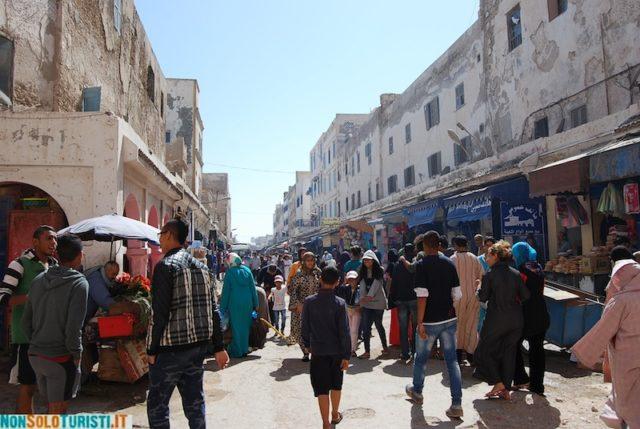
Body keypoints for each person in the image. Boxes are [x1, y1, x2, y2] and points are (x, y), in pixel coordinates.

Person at [146, 218, 229, 429]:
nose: (160, 240)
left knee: (158, 406)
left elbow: (160, 314)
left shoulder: (165, 266)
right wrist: (219, 347)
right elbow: (213, 310)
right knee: (195, 403)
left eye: (161, 236)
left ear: (168, 235)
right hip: (197, 349)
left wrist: (152, 348)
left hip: (169, 350)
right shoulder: (202, 268)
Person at [21, 234, 88, 414]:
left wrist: (37, 342)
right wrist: (77, 354)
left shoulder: (38, 280)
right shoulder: (79, 283)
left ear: (57, 254)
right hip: (60, 358)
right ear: (80, 255)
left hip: (36, 356)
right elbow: (73, 328)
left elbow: (25, 321)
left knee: (53, 411)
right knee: (57, 413)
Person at [572, 257, 640, 429]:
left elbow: (602, 331)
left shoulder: (621, 301)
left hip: (627, 359)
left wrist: (583, 354)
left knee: (628, 399)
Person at [405, 231, 463, 418]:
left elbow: (422, 297)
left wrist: (420, 323)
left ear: (424, 246)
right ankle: (456, 404)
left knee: (421, 358)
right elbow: (458, 295)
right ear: (439, 245)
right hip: (449, 319)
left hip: (429, 321)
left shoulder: (421, 266)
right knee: (452, 361)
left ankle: (417, 391)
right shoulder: (449, 263)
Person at [1, 225, 57, 414]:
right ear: (35, 242)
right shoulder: (18, 264)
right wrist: (32, 297)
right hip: (26, 336)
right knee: (28, 385)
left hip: (49, 336)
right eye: (49, 238)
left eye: (55, 239)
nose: (53, 243)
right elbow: (4, 298)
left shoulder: (54, 266)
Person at [473, 240, 530, 400]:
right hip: (516, 320)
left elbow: (482, 297)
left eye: (488, 255)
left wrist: (478, 287)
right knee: (509, 353)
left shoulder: (489, 274)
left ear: (496, 256)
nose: (486, 258)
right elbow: (526, 296)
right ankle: (505, 388)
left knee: (483, 351)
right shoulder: (515, 273)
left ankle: (497, 382)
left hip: (496, 319)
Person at [301, 266, 350, 429]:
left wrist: (307, 345)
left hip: (318, 352)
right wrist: (346, 356)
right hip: (336, 352)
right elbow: (345, 331)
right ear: (337, 283)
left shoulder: (309, 302)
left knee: (322, 388)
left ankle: (325, 423)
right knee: (336, 384)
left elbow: (305, 328)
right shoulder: (340, 303)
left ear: (320, 280)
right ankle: (335, 415)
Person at [512, 242, 549, 396]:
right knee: (537, 349)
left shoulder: (520, 271)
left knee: (512, 345)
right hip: (541, 312)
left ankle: (520, 378)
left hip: (525, 314)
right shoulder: (538, 267)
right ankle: (537, 385)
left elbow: (518, 294)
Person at [450, 236, 484, 366]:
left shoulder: (453, 259)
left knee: (457, 326)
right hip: (473, 296)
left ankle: (458, 356)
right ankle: (471, 355)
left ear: (456, 245)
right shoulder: (474, 258)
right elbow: (481, 275)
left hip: (457, 297)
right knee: (471, 325)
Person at [219, 253, 259, 358]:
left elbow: (226, 291)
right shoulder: (247, 271)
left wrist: (222, 308)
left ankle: (238, 351)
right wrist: (256, 304)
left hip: (235, 302)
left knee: (236, 327)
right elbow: (253, 289)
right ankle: (244, 349)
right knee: (245, 327)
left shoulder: (230, 273)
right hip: (248, 302)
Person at [289, 252, 322, 361]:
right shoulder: (299, 274)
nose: (310, 262)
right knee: (301, 330)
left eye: (312, 260)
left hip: (316, 306)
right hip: (302, 306)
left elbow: (323, 287)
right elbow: (293, 290)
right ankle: (305, 352)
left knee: (315, 330)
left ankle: (315, 351)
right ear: (303, 261)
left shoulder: (318, 272)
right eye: (308, 260)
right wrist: (297, 304)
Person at [388, 243, 417, 363]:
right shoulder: (416, 264)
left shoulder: (397, 266)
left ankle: (405, 353)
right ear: (414, 251)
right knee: (415, 327)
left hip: (401, 300)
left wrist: (392, 299)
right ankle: (415, 352)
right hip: (414, 299)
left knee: (403, 328)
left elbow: (394, 284)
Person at [357, 250, 388, 359]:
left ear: (373, 260)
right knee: (366, 327)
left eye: (369, 260)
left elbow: (376, 284)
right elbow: (361, 286)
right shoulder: (362, 271)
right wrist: (362, 299)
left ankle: (385, 347)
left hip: (378, 302)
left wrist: (368, 297)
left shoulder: (379, 270)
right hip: (367, 304)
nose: (366, 262)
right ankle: (367, 351)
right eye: (365, 260)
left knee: (379, 325)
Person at [335, 270, 361, 357]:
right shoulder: (345, 288)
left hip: (357, 311)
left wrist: (360, 307)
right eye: (350, 279)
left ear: (357, 279)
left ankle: (353, 349)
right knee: (348, 330)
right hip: (347, 311)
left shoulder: (360, 289)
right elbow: (338, 291)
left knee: (354, 331)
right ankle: (349, 348)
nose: (352, 281)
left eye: (353, 279)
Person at [477, 236, 496, 333]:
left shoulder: (497, 261)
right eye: (486, 245)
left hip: (494, 294)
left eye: (490, 245)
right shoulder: (478, 260)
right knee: (480, 321)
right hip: (482, 293)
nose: (488, 248)